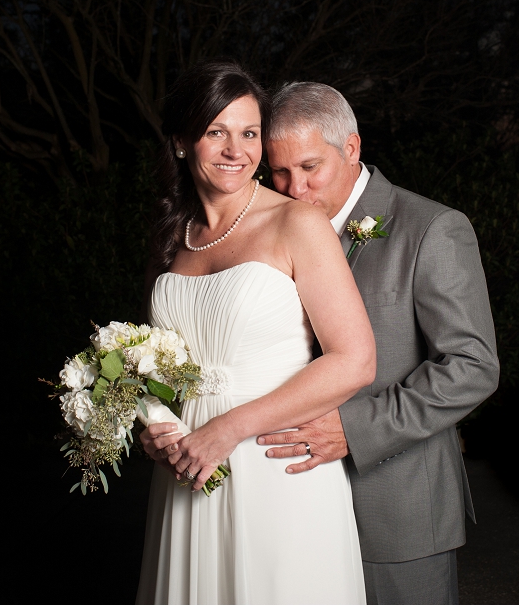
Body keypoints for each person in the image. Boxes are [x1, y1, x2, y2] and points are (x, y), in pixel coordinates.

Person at [135, 62, 375, 605]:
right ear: (181, 141)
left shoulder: (298, 224)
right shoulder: (173, 237)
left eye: (248, 133)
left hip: (272, 464)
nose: (235, 150)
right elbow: (157, 361)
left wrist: (229, 429)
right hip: (186, 472)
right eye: (216, 131)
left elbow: (354, 360)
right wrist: (153, 421)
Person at [258, 82, 500, 604]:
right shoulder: (269, 233)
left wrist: (354, 429)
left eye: (308, 168)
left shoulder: (432, 228)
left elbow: (472, 365)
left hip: (399, 508)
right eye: (279, 172)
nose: (294, 189)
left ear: (351, 149)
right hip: (292, 506)